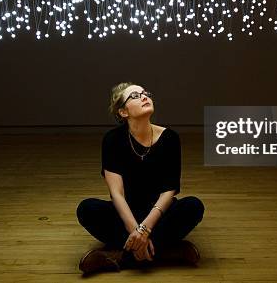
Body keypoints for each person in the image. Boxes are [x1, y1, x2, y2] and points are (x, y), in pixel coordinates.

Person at [76, 82, 205, 275]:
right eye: (135, 96)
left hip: (158, 213)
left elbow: (169, 190)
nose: (144, 96)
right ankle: (168, 253)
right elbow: (116, 194)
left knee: (193, 206)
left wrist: (144, 229)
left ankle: (119, 257)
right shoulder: (112, 140)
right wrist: (135, 229)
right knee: (87, 209)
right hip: (126, 213)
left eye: (145, 93)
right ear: (123, 112)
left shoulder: (170, 138)